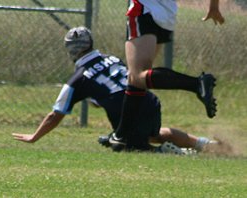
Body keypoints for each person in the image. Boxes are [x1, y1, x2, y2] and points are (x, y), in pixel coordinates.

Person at [12, 27, 217, 153]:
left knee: (130, 149)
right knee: (152, 134)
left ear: (70, 50)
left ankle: (171, 153)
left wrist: (34, 136)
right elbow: (118, 85)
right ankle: (204, 144)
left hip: (126, 110)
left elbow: (55, 115)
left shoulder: (77, 79)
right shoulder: (112, 59)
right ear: (90, 43)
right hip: (149, 101)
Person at [109, 0, 225, 148]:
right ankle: (122, 135)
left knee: (137, 76)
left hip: (145, 8)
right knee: (137, 79)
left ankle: (196, 84)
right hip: (166, 13)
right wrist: (213, 7)